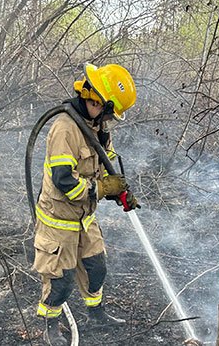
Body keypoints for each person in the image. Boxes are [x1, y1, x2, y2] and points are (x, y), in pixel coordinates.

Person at [33, 63, 140, 345]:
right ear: (95, 101)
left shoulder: (98, 128)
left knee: (96, 268)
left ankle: (96, 314)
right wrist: (103, 189)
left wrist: (120, 192)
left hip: (85, 219)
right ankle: (50, 325)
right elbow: (64, 181)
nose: (109, 119)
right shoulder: (65, 129)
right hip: (58, 222)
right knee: (61, 282)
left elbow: (106, 166)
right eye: (108, 112)